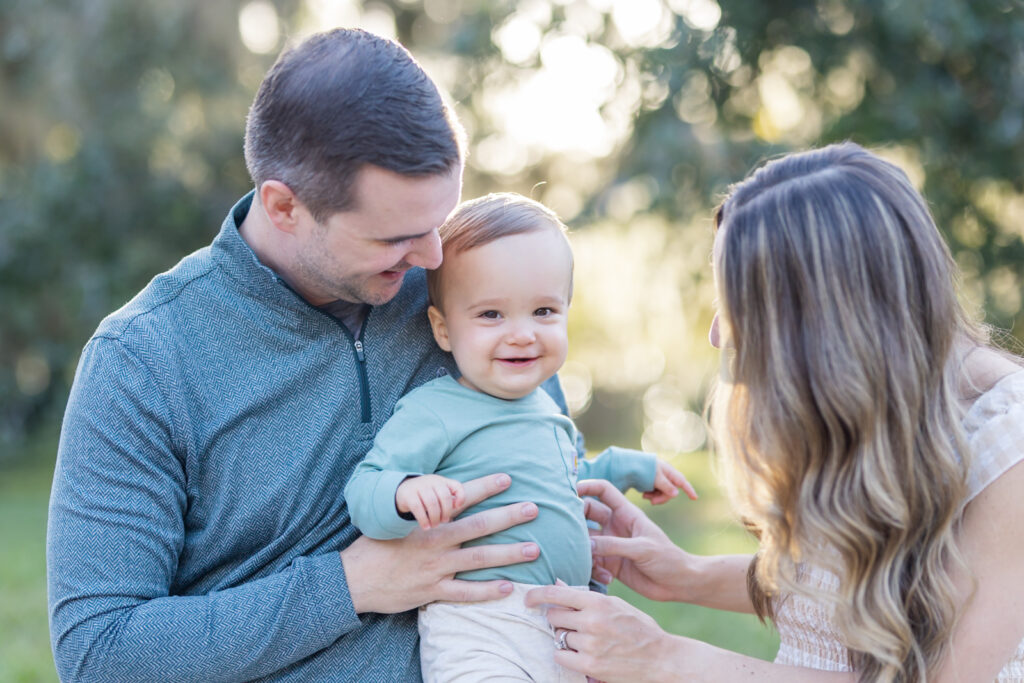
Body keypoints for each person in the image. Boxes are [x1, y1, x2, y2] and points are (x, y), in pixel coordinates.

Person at [48, 29, 556, 682]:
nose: (433, 256)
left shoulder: (469, 293)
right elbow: (99, 652)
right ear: (284, 206)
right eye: (396, 237)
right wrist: (349, 584)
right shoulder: (143, 362)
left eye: (440, 220)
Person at [526, 142, 1024, 682]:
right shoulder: (875, 407)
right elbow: (850, 583)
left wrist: (666, 657)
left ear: (822, 314)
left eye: (738, 305)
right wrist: (685, 574)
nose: (718, 334)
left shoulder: (1008, 444)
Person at [344, 193, 696, 682]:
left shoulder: (545, 408)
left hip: (564, 621)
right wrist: (405, 492)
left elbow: (564, 480)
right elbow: (364, 490)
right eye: (491, 315)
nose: (522, 334)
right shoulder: (436, 409)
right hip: (481, 623)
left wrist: (627, 468)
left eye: (544, 311)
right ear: (443, 330)